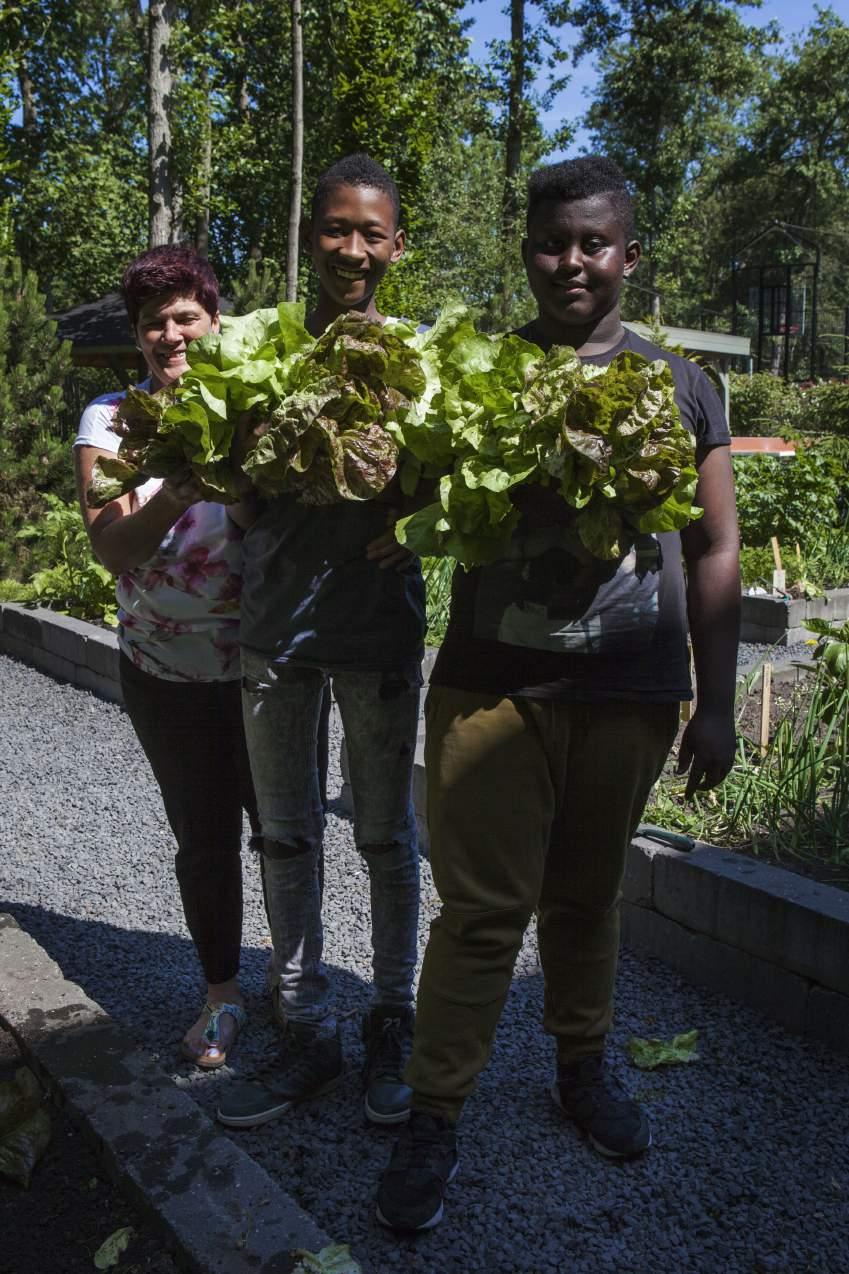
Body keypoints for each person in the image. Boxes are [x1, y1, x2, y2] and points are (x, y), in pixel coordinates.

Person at [376, 156, 741, 1231]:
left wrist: (713, 701)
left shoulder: (682, 384)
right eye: (551, 242)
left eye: (593, 242)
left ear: (630, 253)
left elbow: (716, 545)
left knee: (587, 899)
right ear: (525, 251)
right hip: (493, 686)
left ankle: (581, 1067)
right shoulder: (479, 370)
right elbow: (406, 495)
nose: (571, 261)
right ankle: (434, 1112)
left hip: (630, 689)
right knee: (482, 914)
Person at [216, 155, 425, 1131]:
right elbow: (235, 490)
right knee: (287, 835)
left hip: (377, 633)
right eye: (336, 228)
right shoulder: (260, 358)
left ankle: (392, 1017)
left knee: (384, 836)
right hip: (275, 631)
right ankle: (307, 1026)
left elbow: (461, 495)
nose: (353, 248)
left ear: (396, 243)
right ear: (312, 237)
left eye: (369, 231)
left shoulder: (423, 370)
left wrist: (423, 522)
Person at [74, 245, 260, 1070]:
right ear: (137, 337)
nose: (171, 334)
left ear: (215, 321)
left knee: (287, 839)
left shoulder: (256, 403)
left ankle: (303, 992)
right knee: (205, 839)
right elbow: (111, 549)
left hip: (268, 670)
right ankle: (222, 996)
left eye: (186, 315)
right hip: (164, 669)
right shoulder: (110, 421)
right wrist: (179, 488)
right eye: (154, 323)